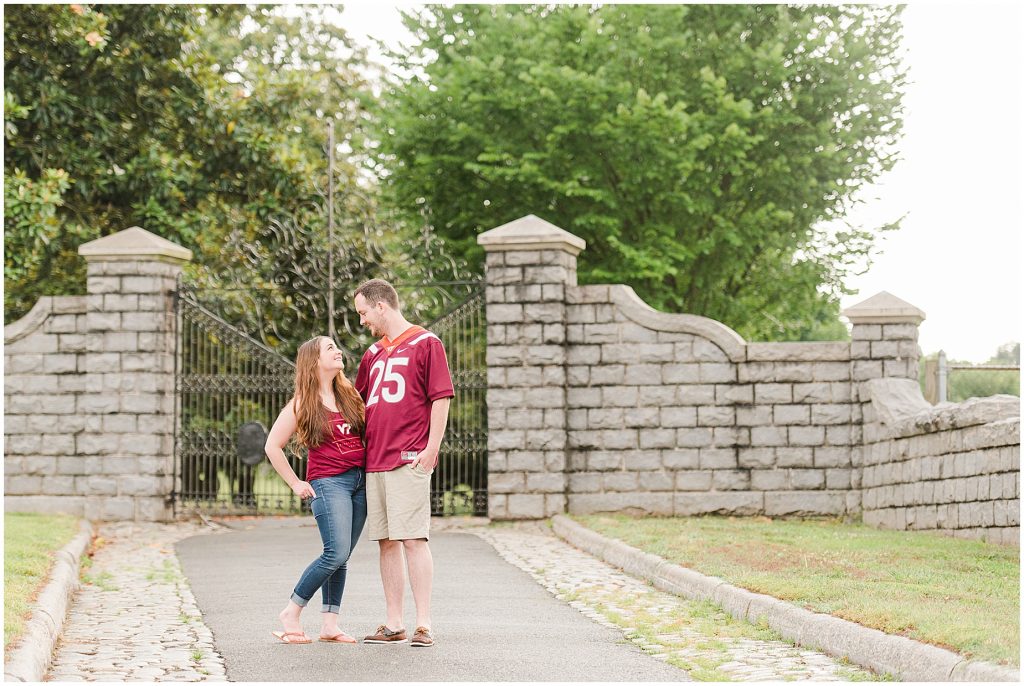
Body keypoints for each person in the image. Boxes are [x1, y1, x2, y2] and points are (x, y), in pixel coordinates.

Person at [353, 279, 454, 648]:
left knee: (413, 538)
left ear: (382, 306)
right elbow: (358, 404)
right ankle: (393, 622)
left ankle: (423, 623)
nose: (362, 320)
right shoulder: (372, 354)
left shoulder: (427, 343)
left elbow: (441, 398)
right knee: (385, 542)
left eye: (363, 312)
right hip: (375, 459)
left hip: (408, 456)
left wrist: (432, 448)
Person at [265, 336, 367, 645]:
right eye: (330, 348)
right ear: (314, 360)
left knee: (343, 556)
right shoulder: (301, 403)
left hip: (359, 482)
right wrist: (296, 482)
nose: (338, 352)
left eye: (336, 347)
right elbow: (272, 445)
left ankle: (329, 625)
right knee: (334, 552)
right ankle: (291, 612)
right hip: (328, 481)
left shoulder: (350, 395)